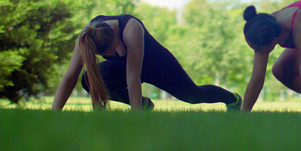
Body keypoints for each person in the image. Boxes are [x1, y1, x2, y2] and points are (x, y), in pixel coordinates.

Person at [52, 14, 242, 111]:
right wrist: (54, 113)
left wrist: (136, 119)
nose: (119, 51)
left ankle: (233, 99)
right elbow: (70, 78)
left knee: (193, 96)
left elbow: (133, 77)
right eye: (111, 53)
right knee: (87, 79)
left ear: (114, 31)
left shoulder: (130, 28)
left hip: (157, 64)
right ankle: (144, 105)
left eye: (116, 44)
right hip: (124, 69)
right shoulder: (87, 38)